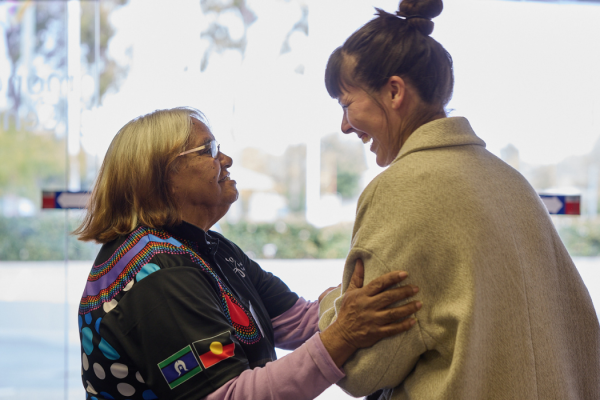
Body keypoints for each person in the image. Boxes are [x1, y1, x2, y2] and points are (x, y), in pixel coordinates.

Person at [318, 0, 600, 399]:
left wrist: (330, 305)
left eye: (347, 104)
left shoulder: (399, 189)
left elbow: (360, 368)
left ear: (394, 91)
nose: (345, 125)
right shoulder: (510, 182)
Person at [74, 107, 422, 400]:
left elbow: (297, 320)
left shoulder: (208, 247)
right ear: (162, 177)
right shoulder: (157, 273)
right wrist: (343, 336)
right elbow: (229, 395)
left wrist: (367, 294)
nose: (225, 159)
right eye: (207, 150)